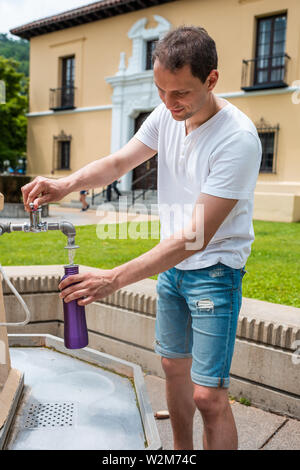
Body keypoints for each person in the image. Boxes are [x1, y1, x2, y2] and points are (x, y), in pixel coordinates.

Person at [21, 26, 261, 450]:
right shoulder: (166, 114)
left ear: (212, 80)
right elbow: (118, 163)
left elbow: (194, 237)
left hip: (215, 274)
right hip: (173, 272)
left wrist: (112, 279)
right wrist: (64, 185)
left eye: (181, 93)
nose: (169, 103)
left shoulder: (237, 139)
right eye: (161, 90)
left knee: (209, 396)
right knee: (171, 368)